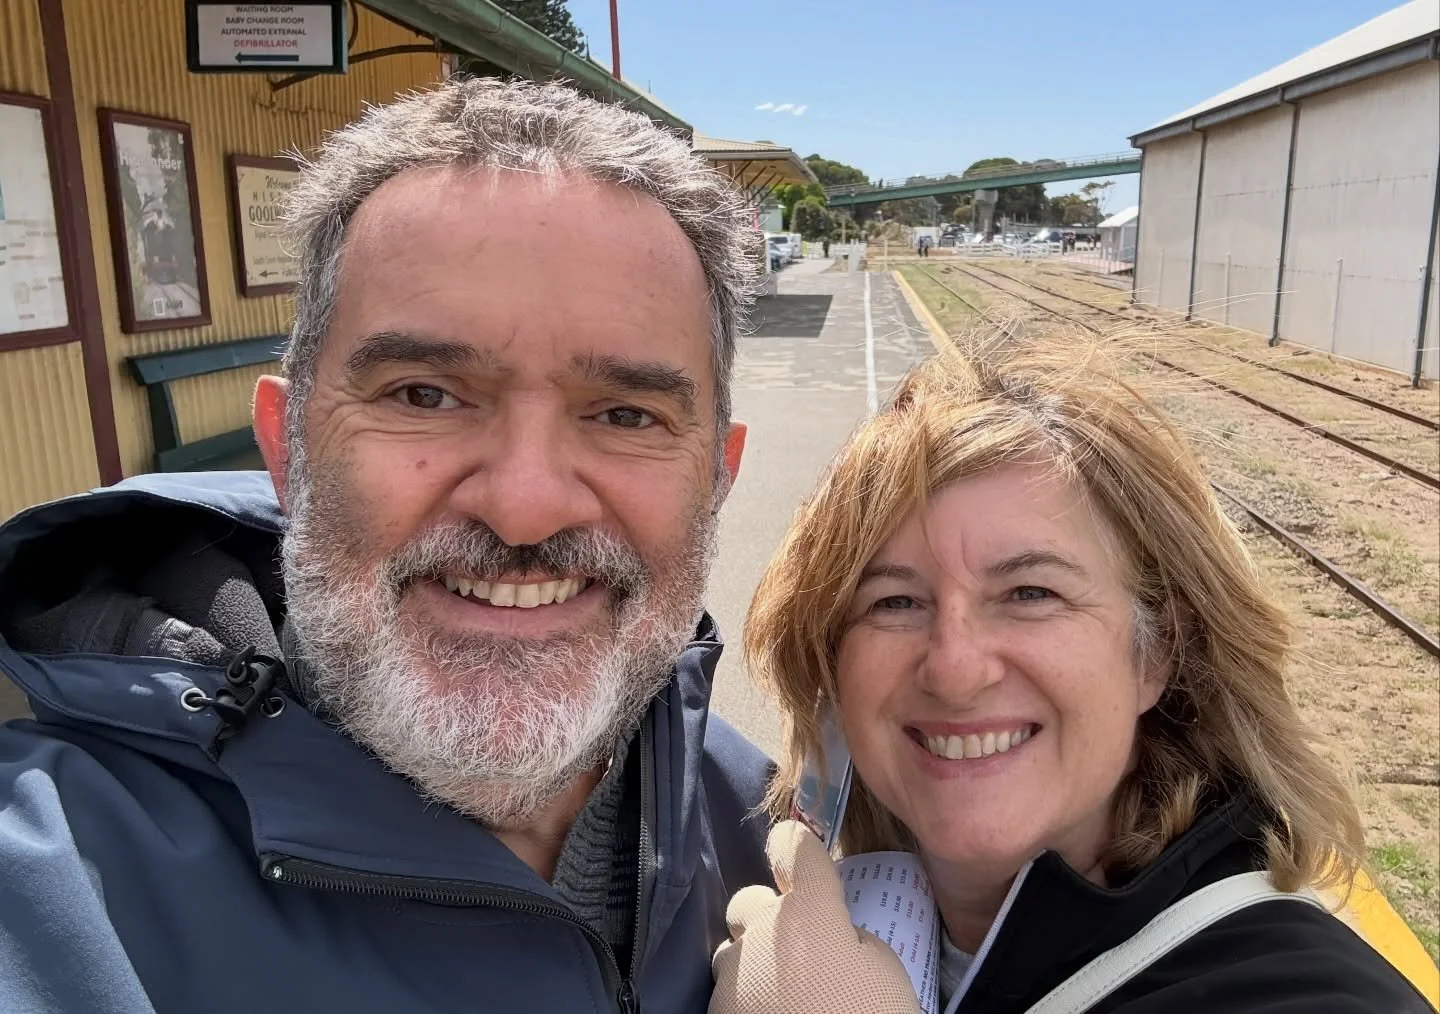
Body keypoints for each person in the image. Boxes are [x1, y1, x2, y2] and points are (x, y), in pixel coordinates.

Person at [0, 78, 775, 1014]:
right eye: (425, 395)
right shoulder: (47, 883)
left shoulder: (759, 826)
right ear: (287, 445)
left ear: (718, 476)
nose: (526, 508)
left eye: (624, 414)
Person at [710, 332, 1435, 1013]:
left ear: (1157, 653)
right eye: (894, 601)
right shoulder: (829, 924)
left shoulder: (1306, 994)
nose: (956, 669)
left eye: (1032, 594)